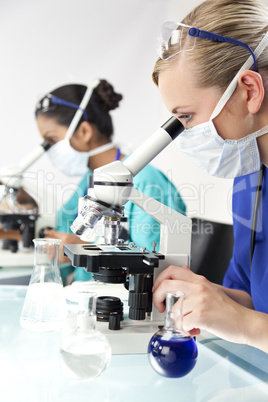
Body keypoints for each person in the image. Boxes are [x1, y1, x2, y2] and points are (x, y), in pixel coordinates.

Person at [152, 0, 268, 354]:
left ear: (249, 90)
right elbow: (251, 297)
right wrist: (207, 294)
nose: (184, 134)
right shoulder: (250, 184)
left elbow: (250, 321)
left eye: (186, 117)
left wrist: (245, 325)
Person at [35, 79, 186, 282]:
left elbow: (156, 263)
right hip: (88, 296)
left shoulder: (146, 182)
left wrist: (81, 246)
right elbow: (62, 232)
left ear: (84, 132)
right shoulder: (91, 180)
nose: (51, 150)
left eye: (52, 140)